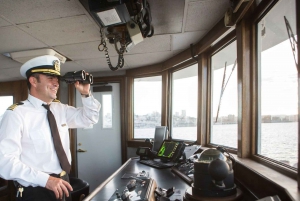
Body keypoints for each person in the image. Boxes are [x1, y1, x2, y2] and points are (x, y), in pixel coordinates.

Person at [0, 55, 101, 201]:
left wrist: (86, 94)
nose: (56, 83)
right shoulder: (16, 114)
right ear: (33, 81)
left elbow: (89, 118)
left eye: (57, 79)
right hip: (36, 190)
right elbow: (4, 161)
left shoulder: (59, 109)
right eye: (50, 78)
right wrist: (45, 180)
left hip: (63, 183)